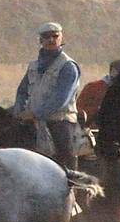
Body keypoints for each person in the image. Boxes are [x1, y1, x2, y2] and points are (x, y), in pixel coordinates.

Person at [13, 23, 84, 171]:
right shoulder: (33, 66)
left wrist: (35, 114)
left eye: (55, 36)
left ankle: (72, 187)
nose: (51, 39)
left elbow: (61, 99)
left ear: (61, 38)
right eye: (46, 36)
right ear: (40, 40)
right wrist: (19, 111)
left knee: (64, 161)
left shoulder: (68, 66)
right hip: (33, 121)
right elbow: (22, 91)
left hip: (59, 121)